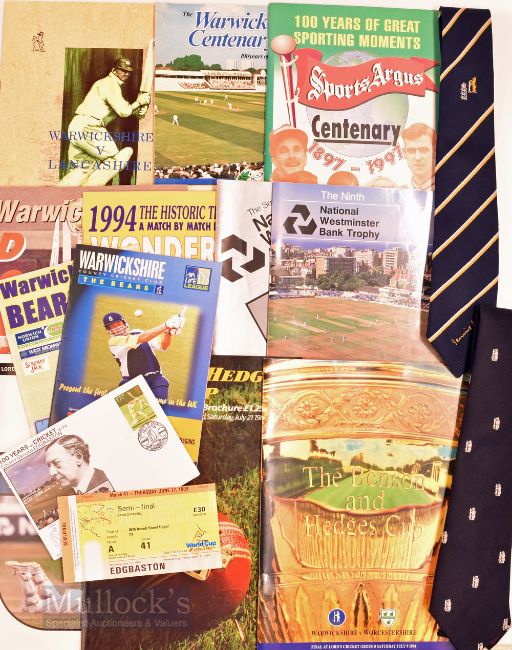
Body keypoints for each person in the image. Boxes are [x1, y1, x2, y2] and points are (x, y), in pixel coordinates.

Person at [59, 57, 151, 187]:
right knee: (115, 159)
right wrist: (140, 102)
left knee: (82, 170)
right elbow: (124, 111)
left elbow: (120, 111)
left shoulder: (106, 84)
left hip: (77, 126)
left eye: (128, 71)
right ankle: (89, 188)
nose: (126, 73)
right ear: (114, 70)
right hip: (89, 127)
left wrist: (140, 110)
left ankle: (61, 192)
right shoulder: (109, 83)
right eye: (122, 70)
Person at [102, 311, 184, 402]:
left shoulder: (138, 332)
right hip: (131, 382)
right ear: (108, 329)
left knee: (161, 408)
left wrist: (168, 334)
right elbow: (142, 338)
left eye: (118, 324)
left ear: (124, 323)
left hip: (156, 379)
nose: (117, 328)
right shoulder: (114, 342)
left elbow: (163, 346)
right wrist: (166, 325)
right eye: (113, 326)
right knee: (137, 411)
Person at [45, 435, 112, 494]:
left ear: (78, 457)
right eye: (49, 466)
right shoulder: (73, 494)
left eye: (56, 463)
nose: (51, 473)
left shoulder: (109, 482)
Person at [401, 122, 436, 190]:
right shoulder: (398, 192)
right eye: (411, 151)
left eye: (423, 150)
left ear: (434, 151)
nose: (417, 157)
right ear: (405, 153)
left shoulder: (448, 190)